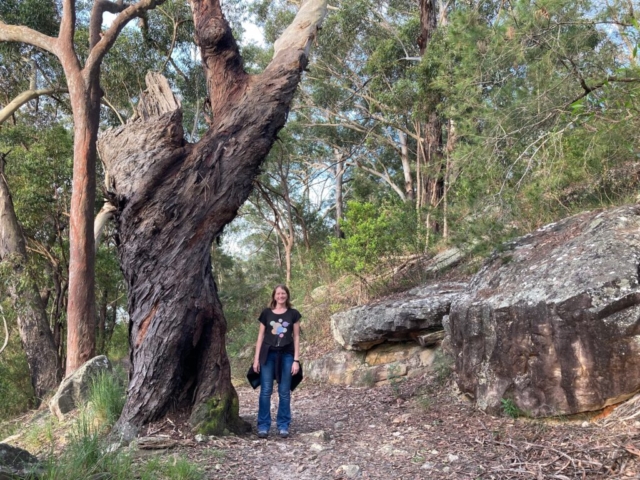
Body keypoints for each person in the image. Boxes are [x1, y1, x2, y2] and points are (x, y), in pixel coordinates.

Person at [252, 284, 301, 438]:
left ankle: (283, 425)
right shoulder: (266, 314)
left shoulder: (293, 314)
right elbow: (260, 336)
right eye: (278, 293)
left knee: (284, 391)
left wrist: (296, 360)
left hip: (287, 354)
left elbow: (297, 337)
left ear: (287, 295)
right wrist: (256, 360)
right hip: (268, 355)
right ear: (274, 296)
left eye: (283, 293)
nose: (281, 296)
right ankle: (263, 425)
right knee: (266, 390)